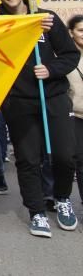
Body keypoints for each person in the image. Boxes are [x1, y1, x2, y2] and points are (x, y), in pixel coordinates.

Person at [0, 0, 79, 236]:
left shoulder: (46, 18)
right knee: (28, 159)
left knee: (64, 155)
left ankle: (62, 199)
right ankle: (36, 211)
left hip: (53, 98)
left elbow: (70, 54)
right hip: (19, 103)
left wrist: (50, 70)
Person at [66, 14, 83, 205]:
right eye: (80, 30)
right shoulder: (65, 57)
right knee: (81, 162)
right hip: (75, 117)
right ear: (71, 33)